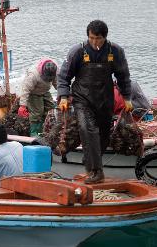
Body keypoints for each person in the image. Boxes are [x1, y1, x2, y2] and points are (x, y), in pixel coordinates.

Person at [57, 20, 133, 184]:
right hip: (82, 99)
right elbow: (64, 76)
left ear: (104, 37)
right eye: (91, 38)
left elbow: (123, 76)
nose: (95, 42)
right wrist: (63, 96)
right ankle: (96, 171)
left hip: (105, 100)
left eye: (98, 38)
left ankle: (89, 161)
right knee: (87, 129)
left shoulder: (116, 51)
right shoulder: (77, 51)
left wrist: (127, 98)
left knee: (104, 137)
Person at [17, 58, 58, 136]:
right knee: (37, 112)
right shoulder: (33, 75)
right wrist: (22, 106)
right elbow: (25, 89)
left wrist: (63, 96)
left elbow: (57, 83)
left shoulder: (55, 71)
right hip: (33, 93)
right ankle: (34, 132)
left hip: (45, 91)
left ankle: (45, 129)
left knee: (51, 108)